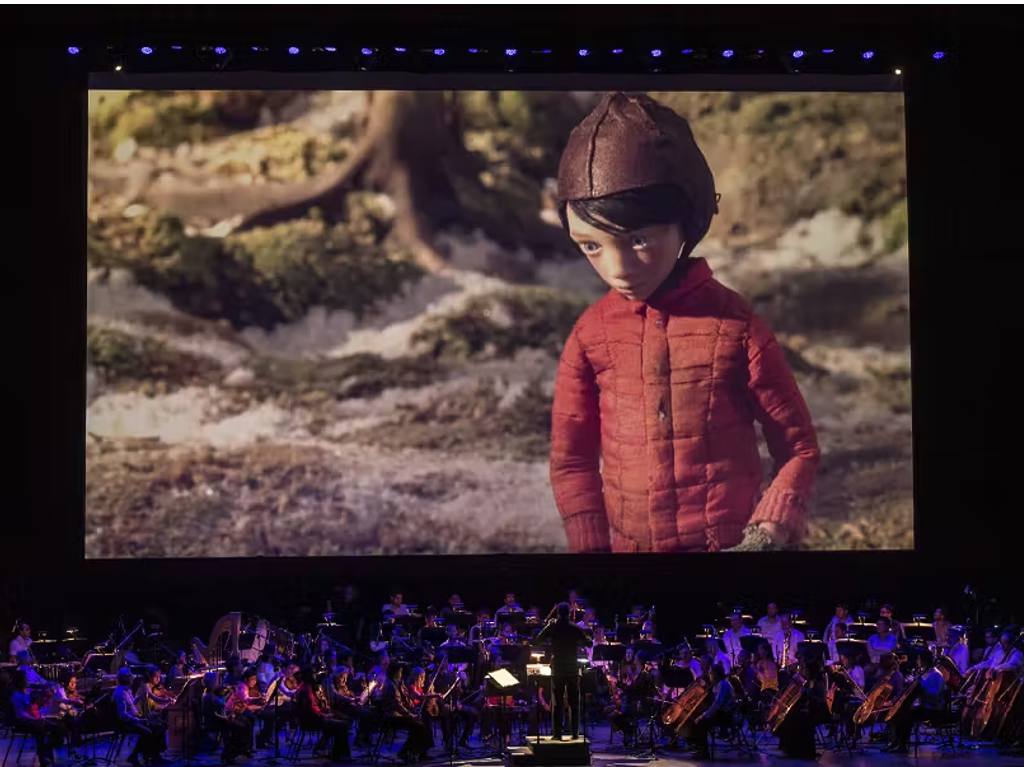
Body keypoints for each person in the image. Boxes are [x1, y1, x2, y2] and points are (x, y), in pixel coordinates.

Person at [549, 92, 819, 554]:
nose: (617, 269)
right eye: (591, 246)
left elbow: (798, 448)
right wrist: (590, 547)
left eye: (638, 240)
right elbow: (571, 458)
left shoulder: (735, 328)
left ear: (686, 222)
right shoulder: (591, 335)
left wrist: (768, 529)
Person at [535, 602, 589, 740]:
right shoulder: (574, 627)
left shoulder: (553, 627)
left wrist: (548, 625)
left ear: (558, 613)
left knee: (557, 701)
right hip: (572, 668)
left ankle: (557, 734)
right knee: (573, 702)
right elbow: (588, 642)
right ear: (570, 614)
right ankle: (575, 733)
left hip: (558, 668)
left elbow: (537, 640)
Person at [885, 650, 948, 754]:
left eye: (919, 659)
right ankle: (897, 743)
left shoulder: (936, 674)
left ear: (924, 660)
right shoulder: (926, 673)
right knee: (899, 715)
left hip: (932, 708)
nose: (917, 662)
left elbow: (934, 694)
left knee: (905, 717)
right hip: (925, 706)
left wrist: (920, 683)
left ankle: (902, 746)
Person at [112, 667, 168, 766]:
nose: (132, 679)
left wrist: (138, 698)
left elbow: (131, 705)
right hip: (126, 723)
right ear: (125, 679)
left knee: (159, 726)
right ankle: (145, 757)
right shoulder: (121, 693)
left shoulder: (126, 691)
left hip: (133, 719)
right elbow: (123, 715)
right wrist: (138, 719)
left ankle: (152, 756)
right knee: (150, 730)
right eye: (130, 677)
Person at [295, 667, 351, 763]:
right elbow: (309, 711)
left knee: (342, 721)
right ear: (308, 676)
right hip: (311, 720)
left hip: (315, 717)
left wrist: (324, 710)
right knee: (342, 725)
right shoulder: (305, 690)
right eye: (313, 675)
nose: (315, 676)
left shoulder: (307, 687)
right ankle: (339, 755)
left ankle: (333, 752)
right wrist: (324, 715)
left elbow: (314, 707)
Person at [10, 670, 65, 767]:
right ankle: (43, 758)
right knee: (41, 727)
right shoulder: (16, 695)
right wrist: (35, 719)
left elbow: (32, 708)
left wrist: (45, 698)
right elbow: (21, 714)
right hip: (22, 722)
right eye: (25, 679)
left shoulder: (24, 693)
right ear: (20, 681)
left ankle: (45, 751)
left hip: (30, 719)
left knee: (58, 725)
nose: (27, 681)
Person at [685, 663, 734, 760]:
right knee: (693, 719)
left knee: (700, 722)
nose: (709, 674)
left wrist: (703, 715)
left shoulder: (722, 684)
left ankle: (703, 752)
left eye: (710, 673)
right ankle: (698, 748)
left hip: (725, 715)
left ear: (716, 674)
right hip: (719, 713)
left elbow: (716, 705)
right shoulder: (717, 684)